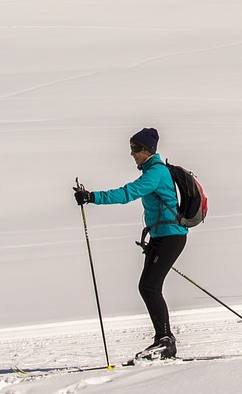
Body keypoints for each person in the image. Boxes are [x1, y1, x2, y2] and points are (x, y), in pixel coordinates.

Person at [73, 127, 187, 361]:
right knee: (148, 286)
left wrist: (92, 197)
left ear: (147, 150)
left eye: (135, 149)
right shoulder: (153, 171)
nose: (132, 153)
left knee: (149, 287)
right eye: (131, 148)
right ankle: (163, 340)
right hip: (162, 236)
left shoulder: (155, 173)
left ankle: (166, 341)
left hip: (170, 236)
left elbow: (127, 194)